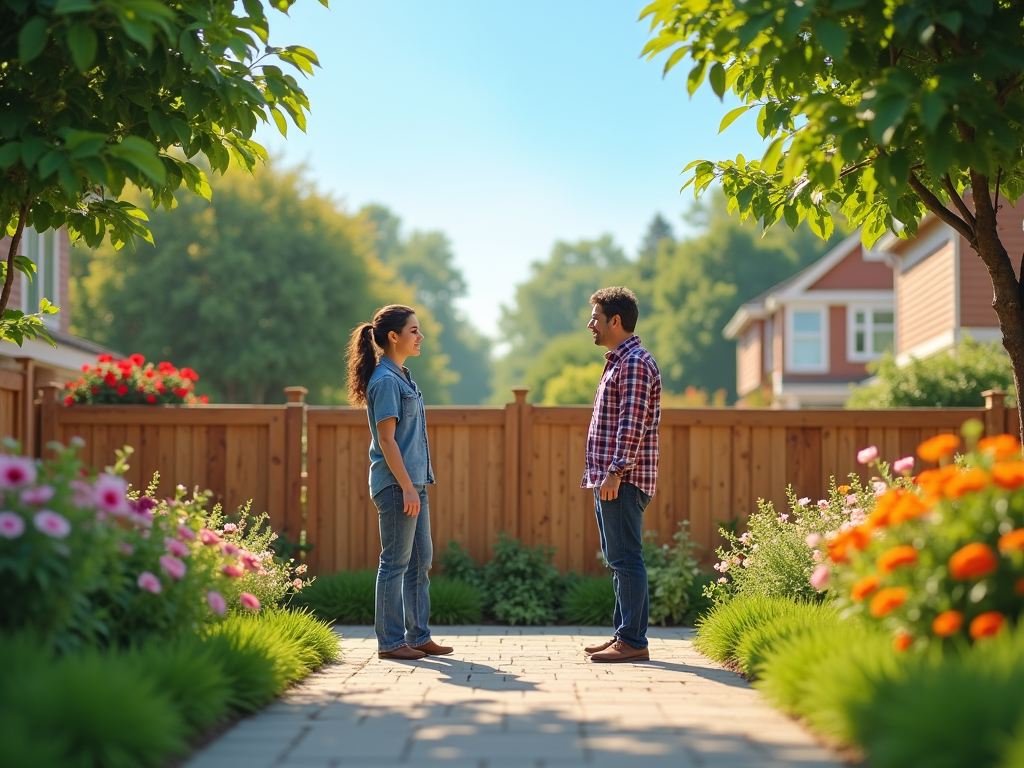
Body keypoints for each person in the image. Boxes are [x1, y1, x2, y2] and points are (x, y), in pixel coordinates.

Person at [346, 304, 453, 660]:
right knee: (395, 562)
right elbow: (387, 440)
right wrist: (407, 486)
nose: (420, 336)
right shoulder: (386, 381)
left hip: (415, 483)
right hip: (397, 486)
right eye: (414, 331)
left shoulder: (404, 376)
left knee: (421, 560)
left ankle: (418, 635)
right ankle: (391, 643)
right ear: (394, 337)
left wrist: (416, 485)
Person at [581, 287, 662, 663]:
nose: (590, 324)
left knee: (626, 558)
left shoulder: (633, 363)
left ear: (616, 320)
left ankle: (632, 640)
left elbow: (632, 424)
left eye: (595, 318)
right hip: (610, 478)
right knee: (618, 559)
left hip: (622, 480)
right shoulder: (619, 361)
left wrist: (615, 471)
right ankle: (623, 634)